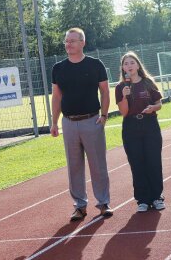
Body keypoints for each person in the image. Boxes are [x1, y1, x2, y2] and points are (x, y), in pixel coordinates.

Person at [51, 27, 113, 221]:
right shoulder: (58, 68)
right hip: (68, 123)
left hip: (92, 120)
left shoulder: (95, 65)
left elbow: (104, 91)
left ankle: (103, 203)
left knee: (98, 165)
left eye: (72, 41)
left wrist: (103, 116)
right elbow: (56, 96)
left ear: (82, 43)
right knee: (74, 167)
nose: (68, 44)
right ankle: (80, 206)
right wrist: (54, 122)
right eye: (66, 41)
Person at [115, 51, 165, 212]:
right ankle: (142, 199)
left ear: (137, 65)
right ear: (122, 68)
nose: (129, 66)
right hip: (130, 126)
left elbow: (159, 104)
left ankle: (157, 197)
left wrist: (152, 108)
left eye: (132, 62)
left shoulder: (148, 82)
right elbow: (123, 112)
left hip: (150, 124)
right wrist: (123, 97)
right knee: (136, 163)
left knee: (153, 161)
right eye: (126, 63)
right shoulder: (120, 87)